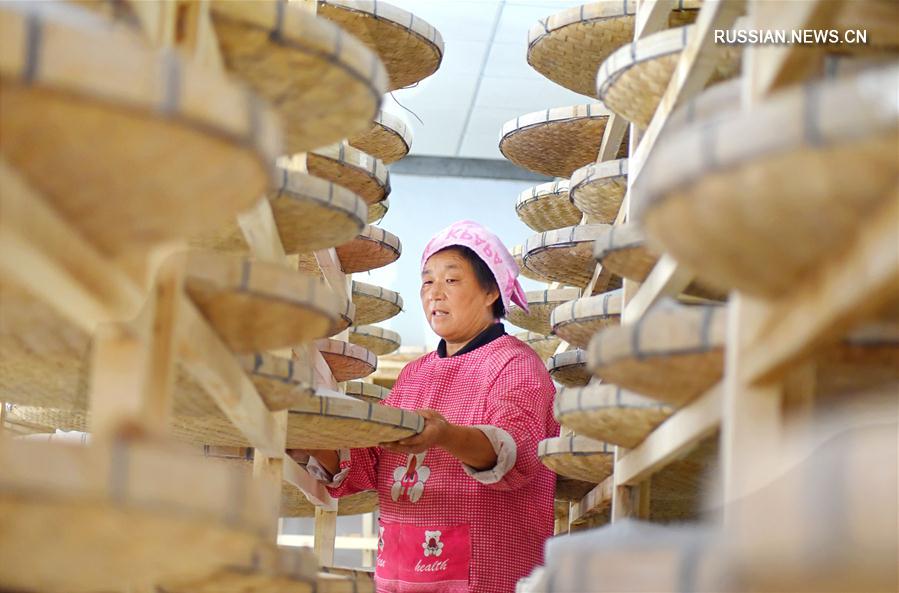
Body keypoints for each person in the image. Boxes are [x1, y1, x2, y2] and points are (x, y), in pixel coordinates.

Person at [298, 220, 559, 593]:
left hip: (483, 577)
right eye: (427, 281)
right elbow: (367, 463)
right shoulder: (414, 374)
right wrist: (301, 436)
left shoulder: (516, 365)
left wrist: (446, 435)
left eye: (451, 281)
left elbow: (516, 455)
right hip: (403, 574)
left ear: (490, 292)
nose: (435, 294)